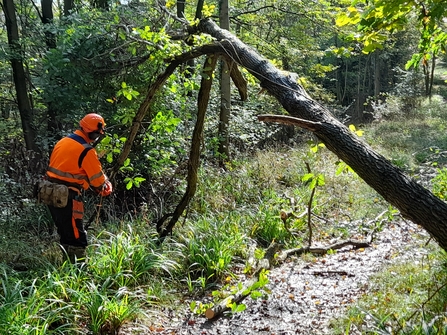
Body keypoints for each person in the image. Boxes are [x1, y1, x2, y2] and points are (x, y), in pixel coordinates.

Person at [46, 113, 113, 263]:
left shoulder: (63, 141)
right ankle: (78, 272)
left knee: (65, 232)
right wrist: (106, 185)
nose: (96, 137)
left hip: (49, 192)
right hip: (67, 196)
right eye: (97, 134)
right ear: (93, 132)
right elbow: (98, 183)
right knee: (77, 236)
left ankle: (66, 267)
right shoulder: (86, 150)